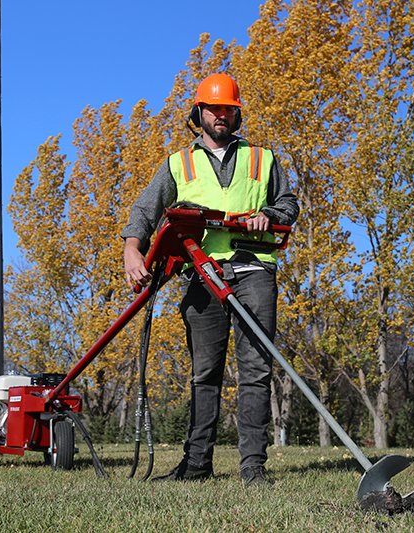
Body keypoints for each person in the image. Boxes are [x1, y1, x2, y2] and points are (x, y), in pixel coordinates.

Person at [121, 73, 299, 486]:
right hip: (201, 275)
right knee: (205, 372)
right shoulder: (177, 164)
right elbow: (144, 211)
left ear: (237, 114)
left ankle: (253, 468)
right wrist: (132, 248)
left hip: (253, 269)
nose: (221, 115)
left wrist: (268, 216)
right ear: (198, 112)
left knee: (255, 368)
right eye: (214, 109)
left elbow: (288, 204)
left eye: (229, 110)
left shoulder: (263, 159)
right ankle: (196, 464)